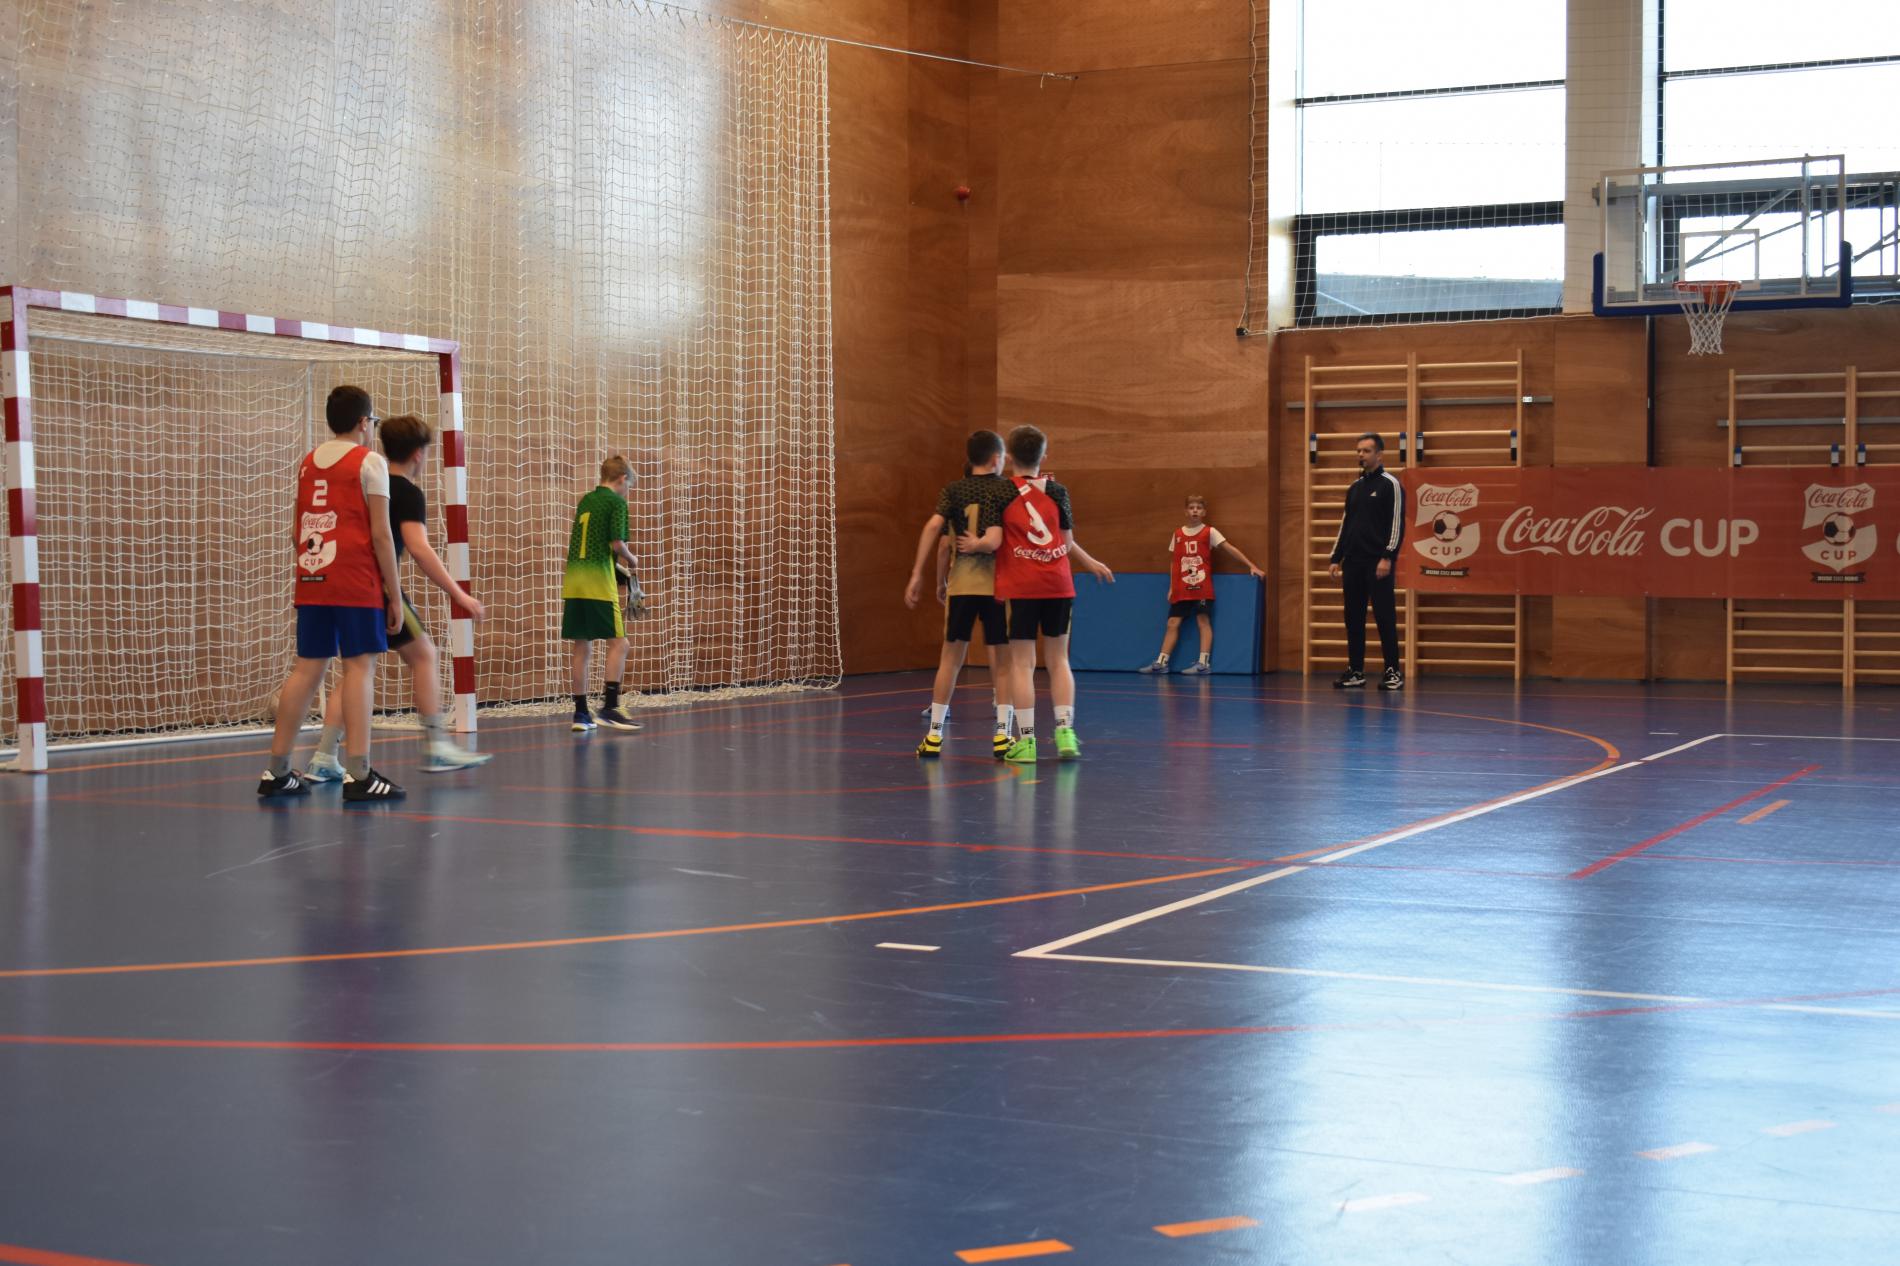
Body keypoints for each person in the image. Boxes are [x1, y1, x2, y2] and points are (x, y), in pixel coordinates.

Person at [303, 414, 492, 779]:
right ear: (419, 454)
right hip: (378, 588)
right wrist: (459, 594)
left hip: (345, 584)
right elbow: (419, 548)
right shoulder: (405, 492)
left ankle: (324, 756)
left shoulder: (367, 483)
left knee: (357, 668)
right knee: (423, 655)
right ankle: (436, 746)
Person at [257, 385, 407, 803]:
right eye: (373, 421)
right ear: (363, 422)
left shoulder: (308, 463)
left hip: (313, 577)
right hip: (355, 580)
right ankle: (359, 774)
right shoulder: (369, 461)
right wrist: (394, 594)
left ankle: (277, 770)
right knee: (359, 668)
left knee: (308, 669)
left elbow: (297, 532)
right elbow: (381, 534)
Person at [966, 425, 1113, 763]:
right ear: (1044, 456)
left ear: (1010, 456)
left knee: (1022, 664)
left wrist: (975, 544)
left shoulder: (1000, 492)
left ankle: (1027, 741)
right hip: (1058, 583)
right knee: (1059, 660)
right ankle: (1065, 732)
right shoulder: (1058, 491)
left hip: (1022, 585)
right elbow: (1066, 541)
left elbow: (993, 541)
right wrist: (1088, 561)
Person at [904, 431, 1018, 759]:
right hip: (998, 587)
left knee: (950, 660)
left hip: (962, 586)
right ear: (996, 459)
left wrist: (919, 574)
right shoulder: (1007, 489)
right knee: (1003, 662)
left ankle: (934, 734)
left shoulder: (953, 490)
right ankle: (1002, 734)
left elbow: (936, 534)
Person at [1138, 493, 1265, 675]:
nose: (1195, 511)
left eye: (1198, 508)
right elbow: (1175, 562)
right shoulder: (1178, 534)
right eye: (1191, 508)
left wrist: (1251, 565)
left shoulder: (1210, 532)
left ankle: (1203, 663)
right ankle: (1161, 663)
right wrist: (1172, 586)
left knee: (1203, 620)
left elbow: (1229, 548)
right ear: (1185, 511)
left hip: (1201, 586)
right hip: (1182, 587)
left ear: (1204, 512)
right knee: (1172, 623)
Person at [564, 456, 643, 732]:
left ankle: (581, 714)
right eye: (628, 486)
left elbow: (592, 544)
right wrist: (631, 561)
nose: (627, 492)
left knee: (582, 647)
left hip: (574, 580)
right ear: (622, 479)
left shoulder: (587, 500)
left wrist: (616, 568)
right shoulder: (616, 502)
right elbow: (616, 543)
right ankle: (610, 708)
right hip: (598, 581)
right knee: (620, 644)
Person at [1328, 432, 1404, 691]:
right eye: (1358, 450)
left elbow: (1397, 524)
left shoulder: (1390, 484)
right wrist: (1336, 557)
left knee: (1384, 617)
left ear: (1379, 454)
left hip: (1377, 563)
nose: (1361, 454)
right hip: (1353, 563)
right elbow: (1346, 525)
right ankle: (1356, 671)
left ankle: (1392, 671)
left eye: (1366, 450)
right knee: (1353, 617)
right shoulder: (1355, 488)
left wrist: (1387, 557)